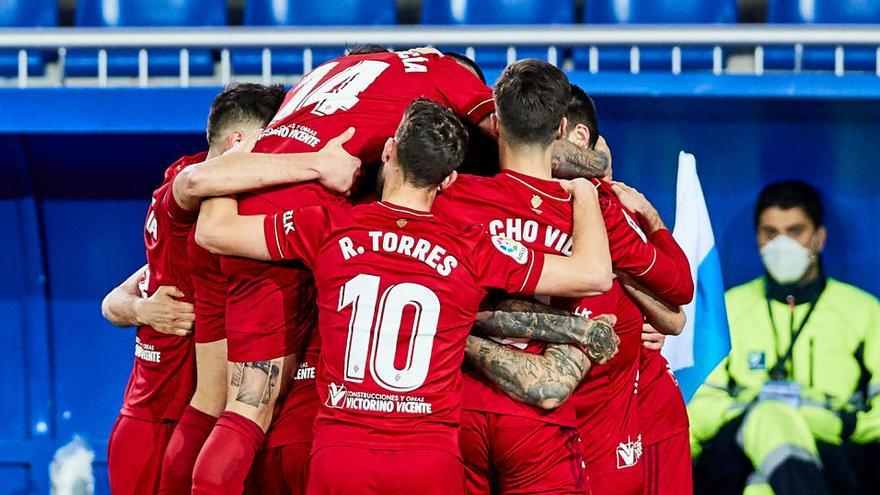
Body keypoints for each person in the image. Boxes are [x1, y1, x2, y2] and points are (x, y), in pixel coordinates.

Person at [194, 98, 614, 495]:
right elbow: (593, 274)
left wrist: (236, 162)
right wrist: (586, 192)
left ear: (389, 150)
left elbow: (214, 231)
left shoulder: (328, 226)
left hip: (342, 454)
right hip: (427, 459)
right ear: (449, 179)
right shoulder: (472, 248)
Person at [191, 47, 502, 493]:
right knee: (247, 409)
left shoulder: (325, 72)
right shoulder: (440, 69)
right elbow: (511, 129)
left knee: (226, 404)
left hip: (251, 196)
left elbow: (196, 188)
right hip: (277, 222)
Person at [100, 83, 360, 495]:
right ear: (238, 142)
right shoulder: (188, 188)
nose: (277, 155)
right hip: (165, 418)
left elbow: (123, 290)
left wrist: (130, 305)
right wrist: (316, 163)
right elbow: (193, 185)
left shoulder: (188, 192)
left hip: (169, 414)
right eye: (270, 143)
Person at [453, 81, 693, 495]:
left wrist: (456, 331)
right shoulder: (592, 207)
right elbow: (676, 303)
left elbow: (675, 314)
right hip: (540, 434)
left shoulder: (460, 197)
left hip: (591, 440)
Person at [689, 180, 880, 495]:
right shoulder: (730, 308)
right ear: (757, 238)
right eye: (770, 233)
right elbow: (698, 407)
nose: (782, 244)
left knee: (761, 487)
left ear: (819, 238)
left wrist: (833, 422)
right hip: (736, 449)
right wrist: (759, 413)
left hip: (836, 451)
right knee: (765, 418)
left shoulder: (864, 311)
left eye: (795, 231)